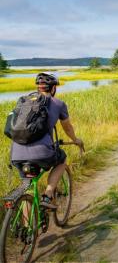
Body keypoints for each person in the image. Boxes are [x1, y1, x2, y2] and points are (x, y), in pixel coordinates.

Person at [10, 72, 84, 210]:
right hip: (42, 153)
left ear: (39, 88)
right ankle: (48, 195)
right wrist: (76, 140)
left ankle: (28, 230)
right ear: (53, 88)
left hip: (16, 154)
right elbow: (67, 128)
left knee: (28, 188)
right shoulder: (59, 103)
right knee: (61, 160)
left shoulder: (23, 102)